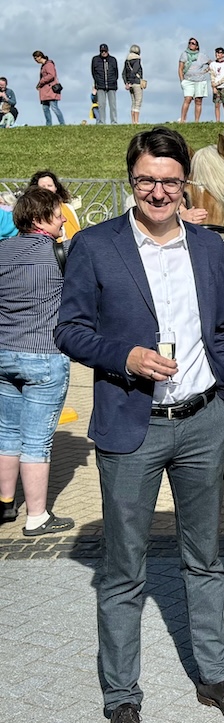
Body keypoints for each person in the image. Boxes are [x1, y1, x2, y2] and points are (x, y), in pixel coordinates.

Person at [55, 127, 224, 723]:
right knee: (124, 570)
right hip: (131, 423)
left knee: (206, 558)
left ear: (184, 184)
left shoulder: (207, 245)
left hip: (202, 423)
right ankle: (122, 700)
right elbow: (69, 329)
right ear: (131, 180)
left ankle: (215, 677)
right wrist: (126, 356)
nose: (159, 192)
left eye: (170, 181)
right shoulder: (95, 245)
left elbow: (221, 327)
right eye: (147, 180)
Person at [0, 187, 74, 535]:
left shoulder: (1, 251)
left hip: (3, 353)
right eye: (58, 215)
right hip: (44, 355)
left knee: (6, 433)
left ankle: (5, 503)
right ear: (40, 219)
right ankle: (37, 516)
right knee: (37, 441)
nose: (63, 221)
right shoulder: (60, 253)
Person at [29, 170, 82, 241]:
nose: (47, 189)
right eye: (43, 186)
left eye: (49, 186)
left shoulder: (68, 208)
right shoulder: (32, 210)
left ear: (56, 188)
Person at [178, 38, 209, 123]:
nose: (191, 44)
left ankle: (196, 121)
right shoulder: (184, 55)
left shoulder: (201, 55)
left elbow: (211, 63)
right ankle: (182, 120)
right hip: (188, 80)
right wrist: (182, 80)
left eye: (193, 43)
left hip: (200, 80)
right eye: (190, 43)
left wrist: (206, 70)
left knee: (198, 100)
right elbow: (180, 68)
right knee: (187, 99)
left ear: (197, 46)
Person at [33, 50, 64, 126]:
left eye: (36, 58)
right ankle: (48, 124)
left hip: (51, 90)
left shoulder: (49, 64)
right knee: (45, 108)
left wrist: (41, 81)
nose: (35, 60)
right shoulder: (44, 66)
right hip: (45, 91)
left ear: (40, 57)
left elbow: (51, 75)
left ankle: (62, 123)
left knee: (54, 107)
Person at [91, 44, 119, 124]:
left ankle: (114, 121)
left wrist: (113, 81)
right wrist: (96, 82)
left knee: (112, 105)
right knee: (101, 105)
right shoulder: (95, 59)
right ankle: (101, 122)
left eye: (105, 51)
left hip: (111, 85)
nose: (103, 53)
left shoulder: (113, 60)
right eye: (102, 51)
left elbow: (116, 72)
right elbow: (93, 72)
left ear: (108, 51)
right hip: (100, 85)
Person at [123, 45, 145, 125]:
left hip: (130, 84)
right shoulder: (137, 60)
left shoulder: (127, 60)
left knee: (133, 102)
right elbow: (134, 71)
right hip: (136, 82)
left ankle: (133, 121)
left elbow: (123, 73)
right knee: (138, 102)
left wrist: (127, 83)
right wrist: (132, 81)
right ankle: (136, 121)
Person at [210, 48, 224, 122]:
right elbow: (212, 76)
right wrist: (213, 86)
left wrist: (218, 83)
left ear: (223, 54)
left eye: (219, 53)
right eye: (216, 52)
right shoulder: (212, 64)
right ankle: (217, 120)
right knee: (217, 104)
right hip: (216, 87)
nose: (217, 54)